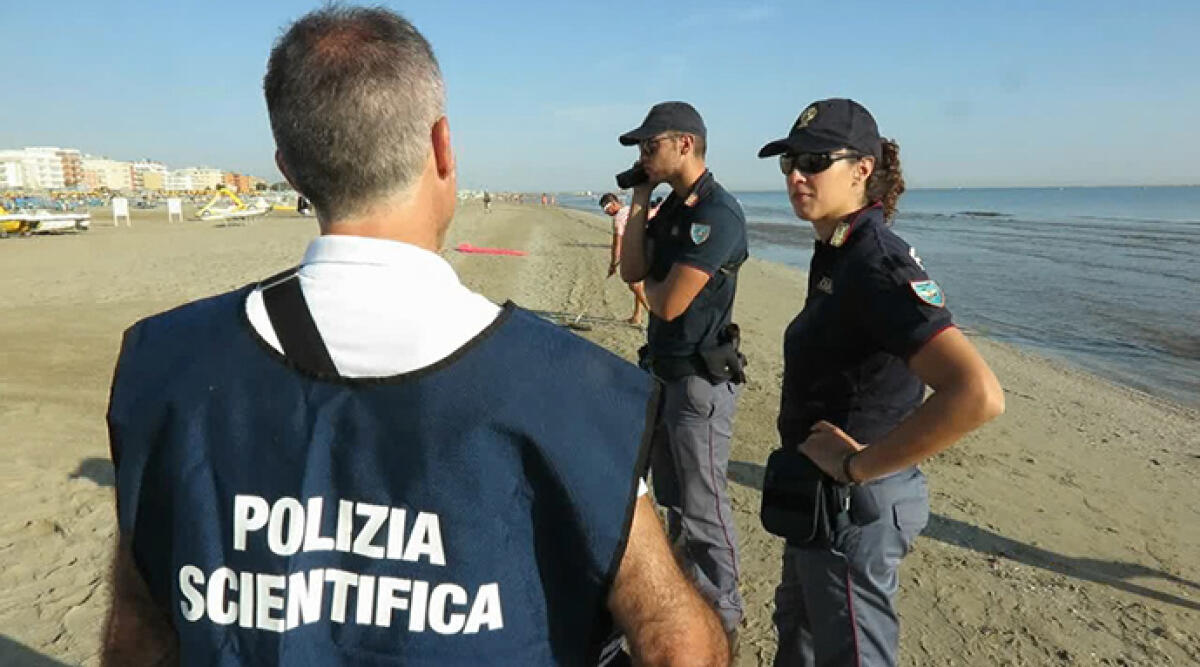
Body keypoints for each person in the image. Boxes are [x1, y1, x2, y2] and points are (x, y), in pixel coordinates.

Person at [101, 8, 728, 666]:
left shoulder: (164, 366)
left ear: (291, 170)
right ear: (443, 147)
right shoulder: (573, 392)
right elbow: (678, 644)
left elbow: (136, 636)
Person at [757, 98, 1005, 666]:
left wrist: (857, 467)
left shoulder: (876, 264)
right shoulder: (837, 253)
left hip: (854, 504)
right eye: (790, 161)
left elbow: (977, 394)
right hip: (818, 499)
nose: (797, 174)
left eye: (815, 161)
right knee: (798, 639)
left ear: (861, 170)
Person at [616, 101, 749, 638]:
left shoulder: (717, 214)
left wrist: (647, 289)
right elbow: (632, 269)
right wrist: (641, 197)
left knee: (703, 507)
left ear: (685, 144)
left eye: (651, 146)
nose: (644, 155)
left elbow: (667, 303)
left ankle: (724, 618)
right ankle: (689, 600)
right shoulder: (670, 208)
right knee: (672, 500)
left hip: (699, 381)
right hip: (663, 372)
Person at [599, 192, 651, 325]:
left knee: (633, 283)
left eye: (607, 208)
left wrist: (613, 264)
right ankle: (637, 316)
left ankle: (652, 313)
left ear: (615, 204)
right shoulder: (630, 210)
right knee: (639, 284)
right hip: (648, 247)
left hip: (639, 251)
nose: (606, 212)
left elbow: (617, 244)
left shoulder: (618, 218)